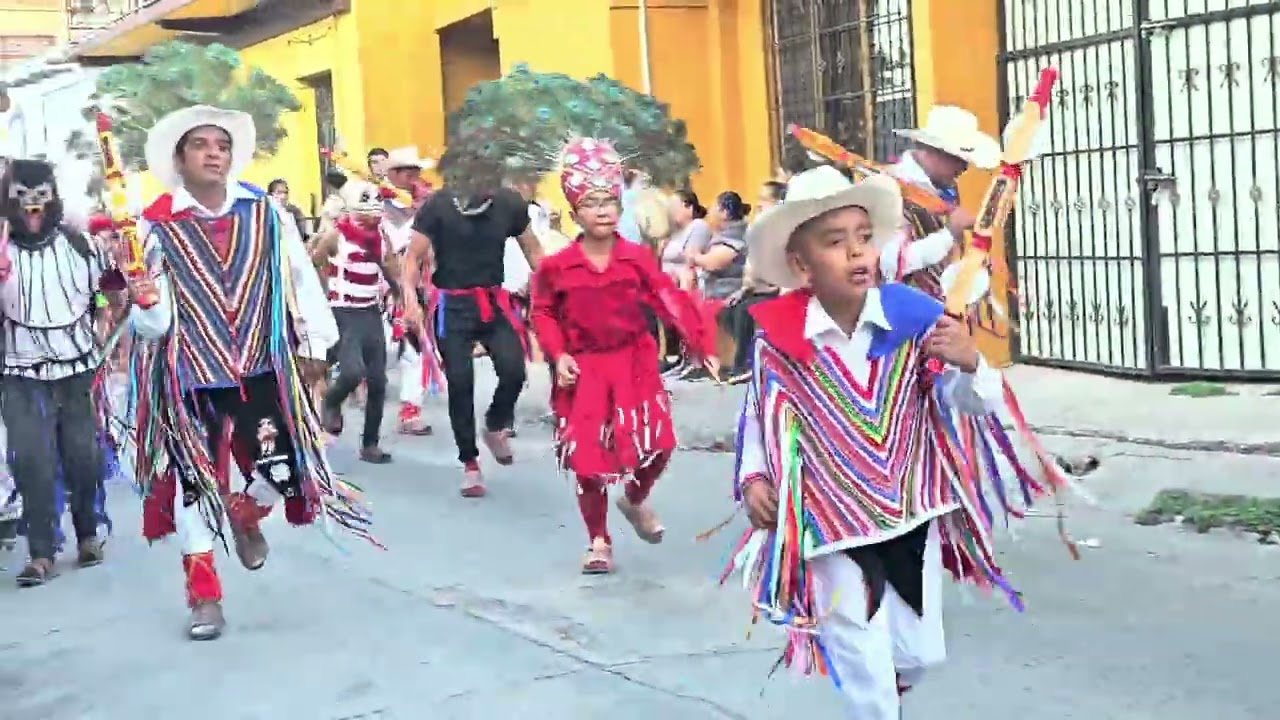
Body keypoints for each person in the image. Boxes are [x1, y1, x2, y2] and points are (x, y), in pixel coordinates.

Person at [721, 167, 1066, 718]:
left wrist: (970, 362)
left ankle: (883, 695)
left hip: (911, 511)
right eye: (835, 243)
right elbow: (761, 415)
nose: (857, 252)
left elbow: (970, 404)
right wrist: (755, 478)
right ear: (802, 264)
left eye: (864, 237)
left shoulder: (913, 319)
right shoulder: (780, 340)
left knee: (919, 654)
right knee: (863, 661)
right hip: (827, 522)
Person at [124, 105, 370, 641]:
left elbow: (299, 277)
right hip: (188, 373)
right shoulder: (156, 223)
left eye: (222, 145)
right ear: (180, 159)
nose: (215, 153)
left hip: (260, 364)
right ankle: (204, 595)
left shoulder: (266, 211)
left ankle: (247, 512)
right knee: (193, 485)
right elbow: (154, 323)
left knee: (289, 462)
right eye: (201, 145)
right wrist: (143, 302)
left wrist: (317, 346)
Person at [529, 137, 715, 573]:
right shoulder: (557, 266)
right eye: (592, 204)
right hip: (584, 367)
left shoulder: (635, 258)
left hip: (634, 362)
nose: (604, 211)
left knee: (661, 445)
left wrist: (697, 341)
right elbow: (542, 311)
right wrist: (558, 356)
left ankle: (634, 499)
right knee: (588, 460)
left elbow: (666, 297)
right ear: (574, 213)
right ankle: (598, 540)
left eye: (610, 201)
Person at [0, 158, 118, 586]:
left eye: (39, 198)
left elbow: (113, 291)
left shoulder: (82, 245)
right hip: (19, 373)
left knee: (83, 457)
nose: (32, 208)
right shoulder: (1, 249)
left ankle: (88, 533)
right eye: (22, 199)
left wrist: (114, 314)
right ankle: (41, 551)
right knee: (32, 461)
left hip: (76, 371)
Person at [400, 163, 543, 497]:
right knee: (461, 383)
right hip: (453, 306)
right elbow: (411, 260)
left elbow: (533, 249)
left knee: (514, 370)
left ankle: (495, 425)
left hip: (494, 301)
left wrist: (546, 285)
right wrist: (410, 301)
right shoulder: (437, 206)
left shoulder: (509, 203)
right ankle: (470, 464)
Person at [314, 179, 400, 463]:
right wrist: (321, 292)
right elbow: (313, 262)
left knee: (377, 381)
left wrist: (404, 298)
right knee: (352, 372)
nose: (371, 218)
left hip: (370, 312)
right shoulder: (336, 235)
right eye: (365, 213)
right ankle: (331, 401)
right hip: (343, 312)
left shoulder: (383, 237)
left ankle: (370, 444)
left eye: (375, 213)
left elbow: (392, 271)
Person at [879, 106, 999, 297]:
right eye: (958, 158)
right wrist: (949, 234)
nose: (965, 167)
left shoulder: (944, 189)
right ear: (933, 150)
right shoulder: (889, 189)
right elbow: (888, 263)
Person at [380, 148, 436, 436]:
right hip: (378, 289)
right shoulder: (378, 203)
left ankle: (410, 410)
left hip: (419, 286)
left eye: (415, 170)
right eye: (404, 170)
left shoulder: (427, 204)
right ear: (391, 174)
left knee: (414, 349)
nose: (411, 175)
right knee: (384, 350)